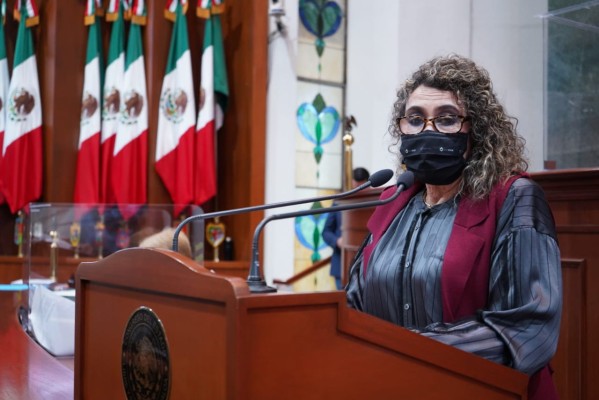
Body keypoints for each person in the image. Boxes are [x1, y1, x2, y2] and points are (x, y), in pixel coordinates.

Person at [345, 55, 561, 400]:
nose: (427, 131)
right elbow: (352, 306)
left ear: (474, 129)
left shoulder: (513, 199)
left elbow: (527, 327)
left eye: (446, 119)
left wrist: (408, 353)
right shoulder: (392, 206)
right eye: (415, 119)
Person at [323, 167, 370, 290]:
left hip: (367, 267)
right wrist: (337, 241)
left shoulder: (376, 202)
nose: (358, 191)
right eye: (356, 187)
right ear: (351, 183)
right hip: (341, 266)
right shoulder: (339, 202)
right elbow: (326, 232)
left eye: (362, 187)